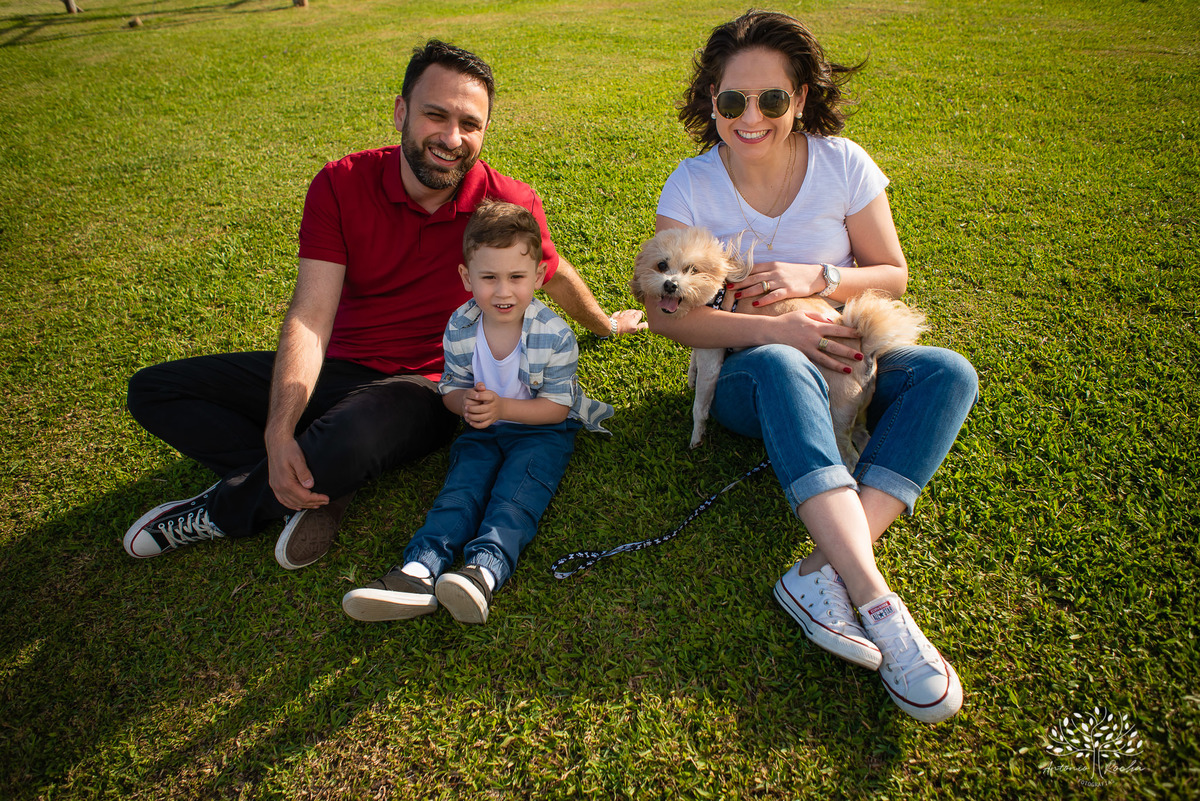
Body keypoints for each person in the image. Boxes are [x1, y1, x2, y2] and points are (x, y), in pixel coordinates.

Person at [123, 40, 644, 571]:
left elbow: (552, 274)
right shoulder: (341, 183)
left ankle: (222, 509)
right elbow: (311, 315)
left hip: (426, 386)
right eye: (435, 115)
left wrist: (604, 325)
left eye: (470, 123)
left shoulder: (505, 205)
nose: (451, 138)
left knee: (353, 434)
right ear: (401, 111)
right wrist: (280, 432)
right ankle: (319, 480)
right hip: (340, 368)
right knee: (155, 391)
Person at [647, 11, 977, 723]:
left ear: (799, 98)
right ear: (713, 102)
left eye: (772, 99)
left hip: (848, 356)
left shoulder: (843, 163)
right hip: (752, 381)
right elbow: (669, 315)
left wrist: (817, 276)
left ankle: (817, 569)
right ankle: (875, 597)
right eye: (733, 100)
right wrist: (785, 330)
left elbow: (891, 273)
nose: (751, 117)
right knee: (780, 363)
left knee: (949, 373)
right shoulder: (691, 185)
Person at [341, 200, 611, 625]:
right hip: (481, 431)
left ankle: (482, 572)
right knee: (459, 493)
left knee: (516, 496)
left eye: (516, 277)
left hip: (540, 433)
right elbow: (450, 389)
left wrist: (504, 407)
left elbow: (557, 410)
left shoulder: (555, 335)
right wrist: (463, 404)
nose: (503, 292)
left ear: (539, 276)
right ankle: (418, 570)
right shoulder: (460, 326)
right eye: (489, 278)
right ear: (467, 277)